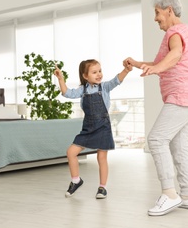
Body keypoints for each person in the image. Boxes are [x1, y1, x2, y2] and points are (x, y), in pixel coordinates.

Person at [123, 0, 188, 216]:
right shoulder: (184, 30)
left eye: (157, 13)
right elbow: (163, 61)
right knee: (179, 145)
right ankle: (187, 196)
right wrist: (139, 64)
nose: (155, 18)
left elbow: (176, 54)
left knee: (157, 139)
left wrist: (157, 69)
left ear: (169, 10)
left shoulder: (175, 31)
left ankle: (169, 194)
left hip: (182, 94)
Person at [54, 59, 132, 199]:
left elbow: (116, 80)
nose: (99, 74)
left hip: (103, 126)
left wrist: (126, 70)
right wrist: (61, 79)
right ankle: (76, 181)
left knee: (101, 157)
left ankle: (102, 188)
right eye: (94, 72)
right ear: (85, 76)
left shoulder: (105, 87)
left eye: (100, 71)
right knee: (71, 152)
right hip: (88, 127)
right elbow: (66, 93)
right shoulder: (82, 90)